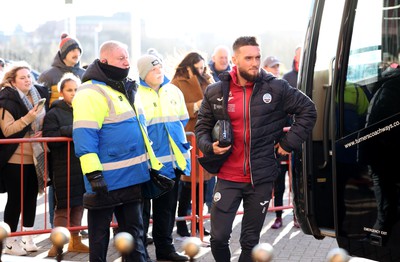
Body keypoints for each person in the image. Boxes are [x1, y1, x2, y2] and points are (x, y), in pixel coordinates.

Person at [195, 36, 317, 262]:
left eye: (257, 57)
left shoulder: (277, 87)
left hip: (260, 177)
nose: (254, 62)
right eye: (248, 58)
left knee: (250, 241)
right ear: (235, 60)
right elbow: (201, 127)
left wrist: (288, 143)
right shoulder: (215, 91)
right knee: (218, 238)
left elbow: (308, 110)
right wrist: (208, 146)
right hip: (228, 177)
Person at [72, 40, 150, 262]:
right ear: (104, 60)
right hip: (105, 179)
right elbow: (85, 135)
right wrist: (93, 174)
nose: (126, 61)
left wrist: (151, 165)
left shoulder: (127, 86)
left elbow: (140, 131)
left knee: (134, 234)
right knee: (99, 237)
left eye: (127, 57)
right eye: (121, 58)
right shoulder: (90, 91)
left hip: (132, 175)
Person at [136, 54, 191, 262]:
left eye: (159, 67)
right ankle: (140, 253)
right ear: (143, 74)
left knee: (166, 210)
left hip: (173, 162)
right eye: (153, 69)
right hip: (148, 164)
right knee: (142, 212)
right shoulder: (135, 94)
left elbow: (182, 120)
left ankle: (165, 250)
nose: (159, 71)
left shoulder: (173, 90)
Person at [0, 62, 49, 256]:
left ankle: (29, 236)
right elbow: (8, 130)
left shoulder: (37, 95)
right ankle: (10, 241)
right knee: (15, 200)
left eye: (29, 76)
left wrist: (42, 132)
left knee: (30, 197)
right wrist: (29, 118)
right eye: (23, 77)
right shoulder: (6, 99)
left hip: (35, 156)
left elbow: (42, 122)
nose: (28, 80)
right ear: (12, 80)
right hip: (14, 157)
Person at [38, 32, 85, 233]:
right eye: (72, 51)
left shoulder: (83, 73)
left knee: (79, 195)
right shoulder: (48, 75)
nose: (76, 55)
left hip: (79, 154)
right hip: (58, 139)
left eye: (78, 52)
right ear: (64, 53)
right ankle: (56, 229)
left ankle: (75, 232)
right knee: (59, 194)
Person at [42, 73, 89, 257]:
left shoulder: (84, 110)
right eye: (69, 90)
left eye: (76, 89)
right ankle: (58, 244)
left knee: (79, 204)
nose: (74, 93)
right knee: (63, 207)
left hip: (81, 163)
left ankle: (75, 241)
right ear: (61, 92)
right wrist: (72, 130)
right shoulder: (54, 112)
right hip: (63, 165)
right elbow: (50, 137)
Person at [171, 52, 214, 237]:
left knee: (203, 185)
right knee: (188, 185)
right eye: (198, 66)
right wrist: (195, 106)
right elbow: (173, 108)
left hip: (205, 136)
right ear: (189, 65)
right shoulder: (177, 83)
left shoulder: (207, 79)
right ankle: (182, 222)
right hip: (189, 136)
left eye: (203, 66)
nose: (201, 70)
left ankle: (198, 223)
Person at [262, 55, 292, 229]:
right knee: (278, 183)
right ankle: (279, 216)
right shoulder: (259, 89)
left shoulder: (283, 87)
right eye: (273, 67)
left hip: (286, 143)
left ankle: (297, 215)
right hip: (270, 147)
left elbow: (293, 115)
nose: (276, 70)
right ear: (265, 67)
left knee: (294, 183)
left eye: (277, 67)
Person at [205, 45, 232, 213]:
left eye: (225, 57)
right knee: (210, 178)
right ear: (213, 58)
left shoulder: (235, 77)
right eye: (220, 57)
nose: (223, 60)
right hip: (211, 134)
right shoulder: (208, 77)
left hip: (228, 133)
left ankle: (220, 207)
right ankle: (211, 206)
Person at [282, 46, 302, 228]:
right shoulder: (287, 78)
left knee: (299, 177)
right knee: (284, 179)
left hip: (305, 134)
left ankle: (298, 214)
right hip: (289, 133)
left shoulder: (313, 74)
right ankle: (280, 215)